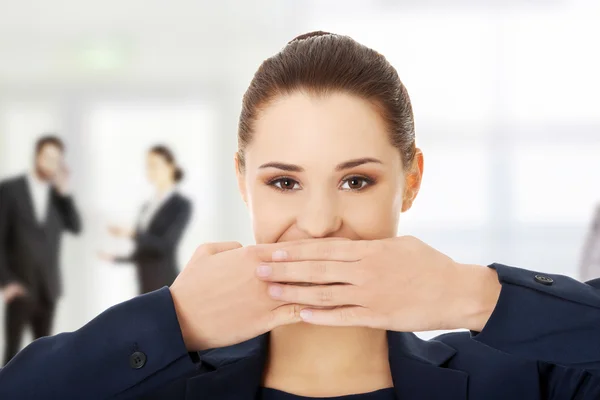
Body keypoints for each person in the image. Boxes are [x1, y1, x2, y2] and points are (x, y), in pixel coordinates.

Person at [1, 31, 600, 399]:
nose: (318, 223)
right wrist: (176, 321)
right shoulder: (152, 382)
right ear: (243, 181)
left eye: (356, 180)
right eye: (285, 181)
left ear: (411, 180)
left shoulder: (520, 381)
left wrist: (474, 295)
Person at [0, 135, 82, 366]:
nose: (51, 163)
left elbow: (76, 227)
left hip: (48, 288)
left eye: (56, 159)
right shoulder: (10, 189)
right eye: (47, 157)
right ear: (37, 156)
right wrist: (6, 281)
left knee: (44, 357)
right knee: (12, 356)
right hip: (20, 286)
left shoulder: (58, 196)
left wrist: (65, 194)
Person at [99, 145, 192, 294]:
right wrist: (117, 259)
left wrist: (132, 234)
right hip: (144, 283)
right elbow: (144, 250)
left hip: (164, 282)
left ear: (171, 167)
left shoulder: (181, 205)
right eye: (148, 166)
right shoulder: (146, 207)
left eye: (154, 165)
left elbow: (165, 245)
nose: (150, 170)